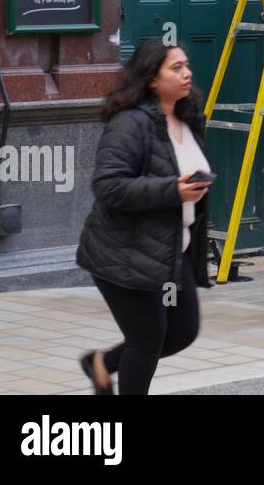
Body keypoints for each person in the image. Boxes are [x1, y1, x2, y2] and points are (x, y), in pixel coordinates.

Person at [76, 39, 212, 395]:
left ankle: (101, 364)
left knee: (181, 331)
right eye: (176, 68)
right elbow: (108, 186)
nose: (188, 73)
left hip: (168, 248)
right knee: (147, 338)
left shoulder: (187, 115)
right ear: (152, 78)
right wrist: (172, 190)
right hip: (121, 251)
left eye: (186, 65)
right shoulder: (130, 124)